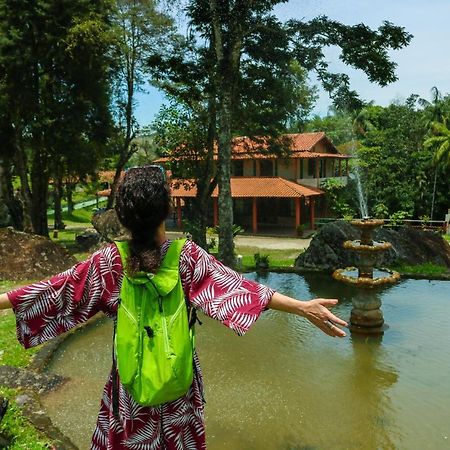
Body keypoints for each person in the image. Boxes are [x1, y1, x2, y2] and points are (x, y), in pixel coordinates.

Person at [0, 166, 347, 450]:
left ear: (122, 214)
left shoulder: (108, 263)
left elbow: (50, 292)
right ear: (166, 209)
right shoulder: (187, 258)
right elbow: (242, 291)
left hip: (131, 389)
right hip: (178, 389)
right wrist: (302, 307)